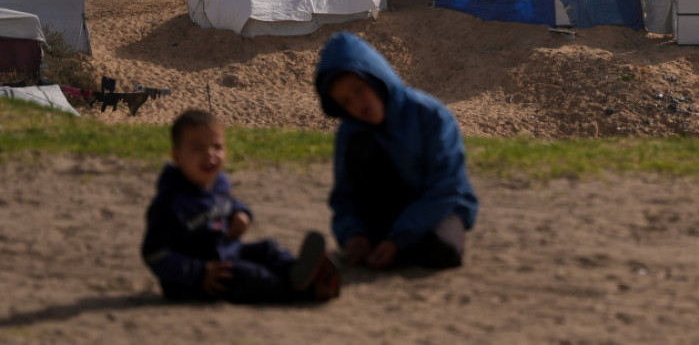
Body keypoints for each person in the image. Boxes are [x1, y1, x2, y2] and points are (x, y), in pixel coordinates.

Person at [315, 32, 478, 271]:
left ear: (375, 77)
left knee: (443, 251)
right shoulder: (351, 132)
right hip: (389, 212)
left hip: (440, 209)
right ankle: (379, 245)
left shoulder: (431, 115)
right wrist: (353, 235)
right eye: (346, 102)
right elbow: (344, 195)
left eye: (359, 89)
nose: (357, 104)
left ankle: (391, 246)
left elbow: (446, 189)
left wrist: (397, 240)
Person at [141, 109, 340, 304]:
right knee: (249, 275)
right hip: (198, 279)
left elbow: (230, 204)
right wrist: (199, 272)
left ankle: (298, 273)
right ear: (177, 157)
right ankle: (308, 292)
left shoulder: (218, 184)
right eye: (198, 148)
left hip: (225, 252)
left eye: (217, 147)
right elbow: (154, 253)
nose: (210, 155)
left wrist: (241, 213)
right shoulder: (170, 202)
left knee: (267, 249)